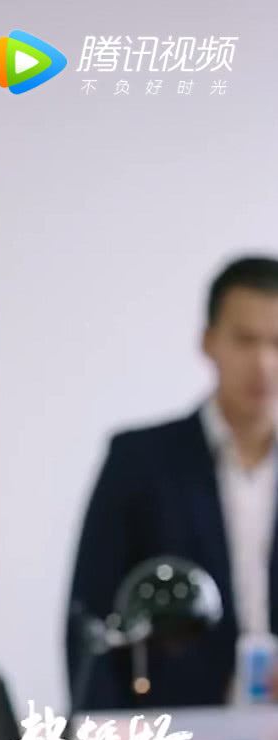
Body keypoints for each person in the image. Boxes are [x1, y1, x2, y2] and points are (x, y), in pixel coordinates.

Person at [66, 256, 278, 712]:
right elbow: (91, 621)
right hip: (173, 729)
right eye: (245, 340)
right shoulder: (139, 461)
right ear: (209, 342)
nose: (263, 363)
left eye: (277, 342)